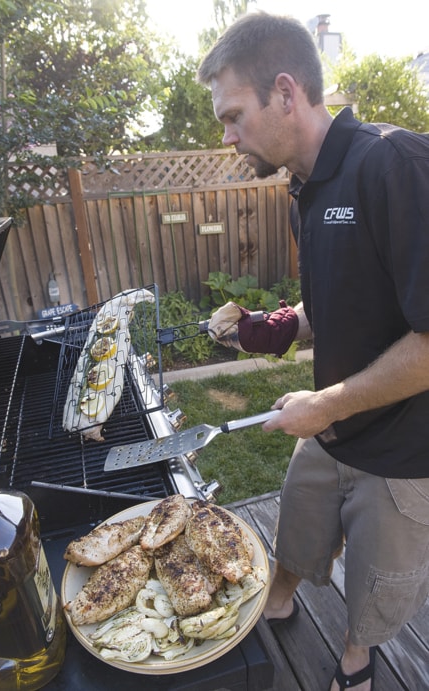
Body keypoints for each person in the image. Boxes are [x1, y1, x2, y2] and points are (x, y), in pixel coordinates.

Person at [198, 11, 429, 691]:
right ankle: (279, 597)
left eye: (234, 114)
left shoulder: (394, 164)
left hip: (403, 450)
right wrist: (271, 326)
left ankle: (359, 659)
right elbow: (341, 297)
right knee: (296, 527)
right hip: (332, 426)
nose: (227, 135)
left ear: (286, 91)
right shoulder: (305, 189)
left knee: (376, 591)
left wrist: (319, 402)